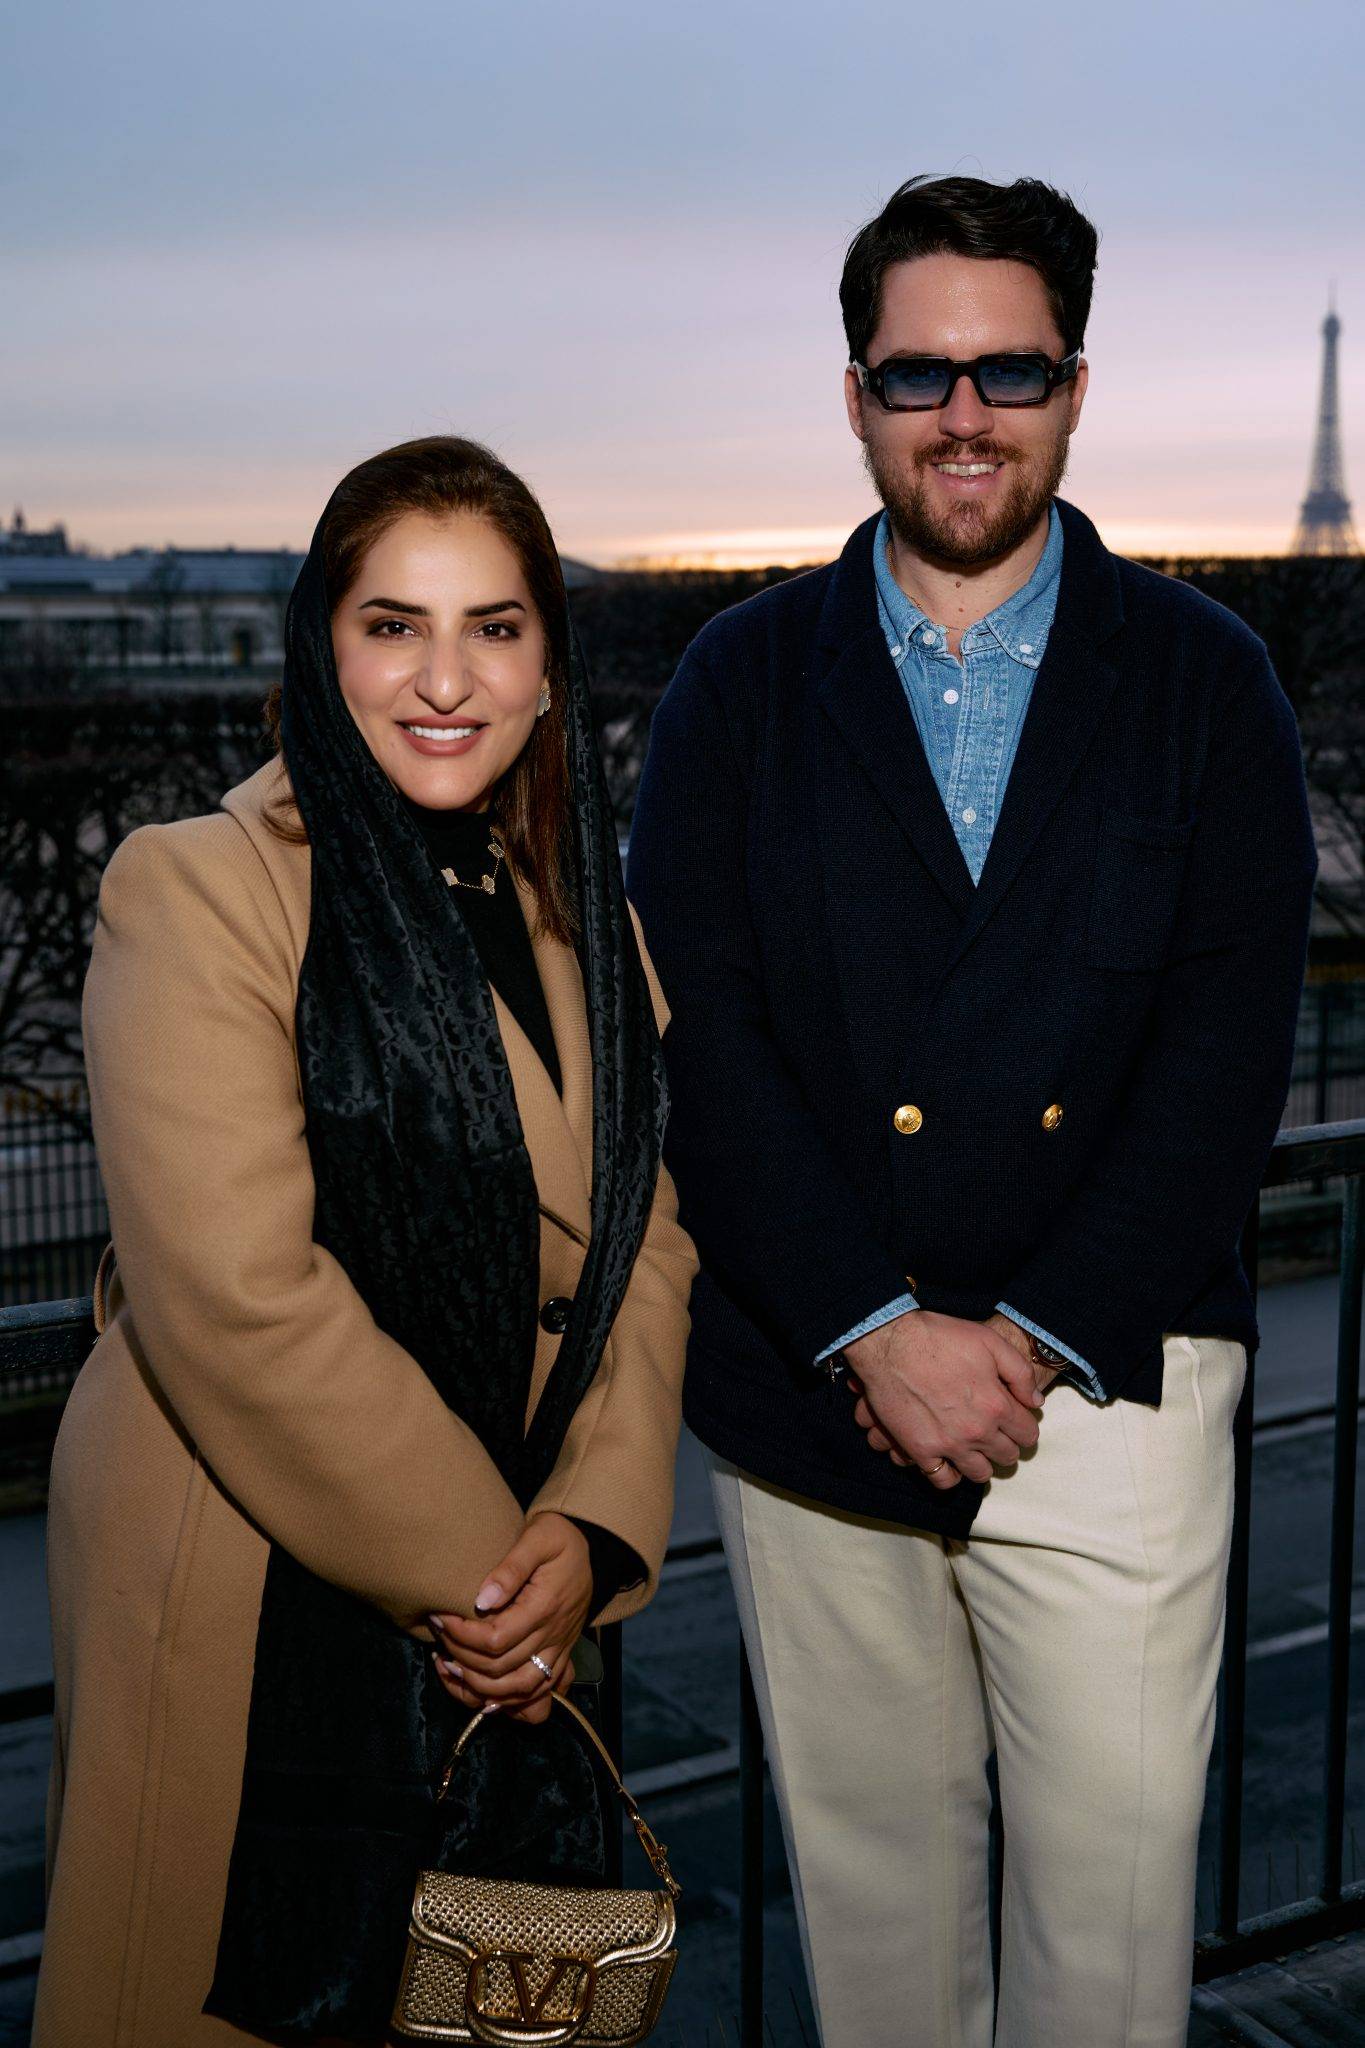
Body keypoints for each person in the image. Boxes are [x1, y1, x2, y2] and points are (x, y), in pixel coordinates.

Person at [627, 175, 1318, 2048]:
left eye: (1006, 367)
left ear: (1075, 386)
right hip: (813, 1396)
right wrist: (871, 1327)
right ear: (851, 396)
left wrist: (1018, 1339)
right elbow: (704, 1045)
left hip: (1098, 1393)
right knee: (877, 1959)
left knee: (1104, 1966)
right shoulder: (734, 684)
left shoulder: (1205, 681)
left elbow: (1220, 1057)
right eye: (915, 371)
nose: (962, 412)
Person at [35, 435, 697, 2047]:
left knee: (476, 2010)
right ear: (321, 651)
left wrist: (593, 1534)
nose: (444, 676)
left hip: (518, 1571)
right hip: (257, 1560)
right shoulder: (195, 888)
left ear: (550, 665)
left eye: (494, 625)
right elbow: (236, 1296)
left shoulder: (582, 920)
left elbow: (645, 1241)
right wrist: (494, 1583)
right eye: (392, 623)